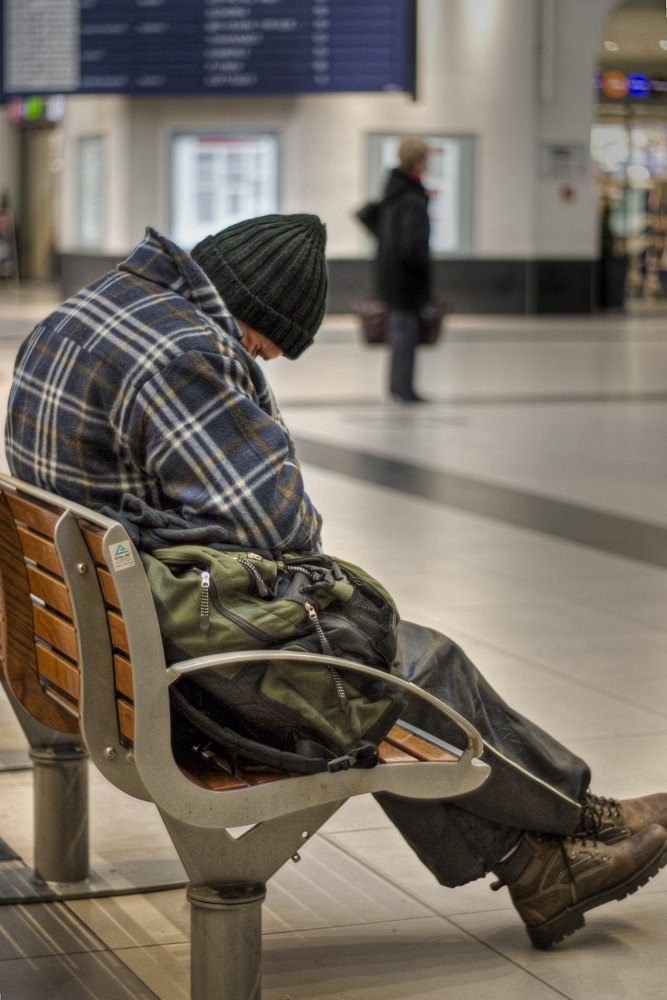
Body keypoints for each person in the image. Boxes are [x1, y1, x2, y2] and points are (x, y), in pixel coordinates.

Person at [5, 214, 667, 950]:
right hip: (178, 676)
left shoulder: (88, 309)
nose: (264, 359)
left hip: (90, 650)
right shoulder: (188, 350)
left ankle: (539, 864)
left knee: (379, 676)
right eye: (268, 346)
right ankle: (579, 821)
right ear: (248, 314)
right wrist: (252, 395)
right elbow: (283, 528)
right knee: (405, 673)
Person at [374, 136, 432, 403]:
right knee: (406, 336)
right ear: (417, 162)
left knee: (400, 335)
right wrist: (423, 271)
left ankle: (398, 386)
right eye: (425, 159)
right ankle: (404, 389)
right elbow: (412, 245)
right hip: (407, 279)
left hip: (391, 275)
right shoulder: (411, 198)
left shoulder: (393, 193)